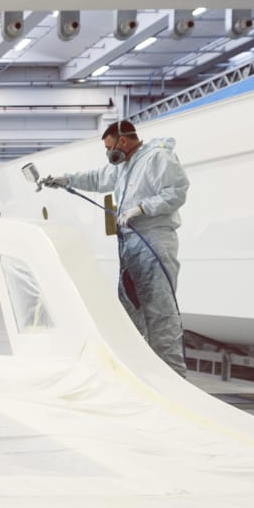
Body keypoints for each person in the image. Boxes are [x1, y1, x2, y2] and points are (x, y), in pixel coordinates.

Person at [39, 120, 190, 376]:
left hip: (154, 240)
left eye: (109, 148)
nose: (109, 154)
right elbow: (97, 178)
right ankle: (137, 372)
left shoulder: (158, 157)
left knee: (159, 310)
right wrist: (66, 180)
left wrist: (141, 208)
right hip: (130, 244)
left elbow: (177, 191)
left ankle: (172, 376)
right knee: (129, 310)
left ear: (122, 140)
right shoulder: (124, 166)